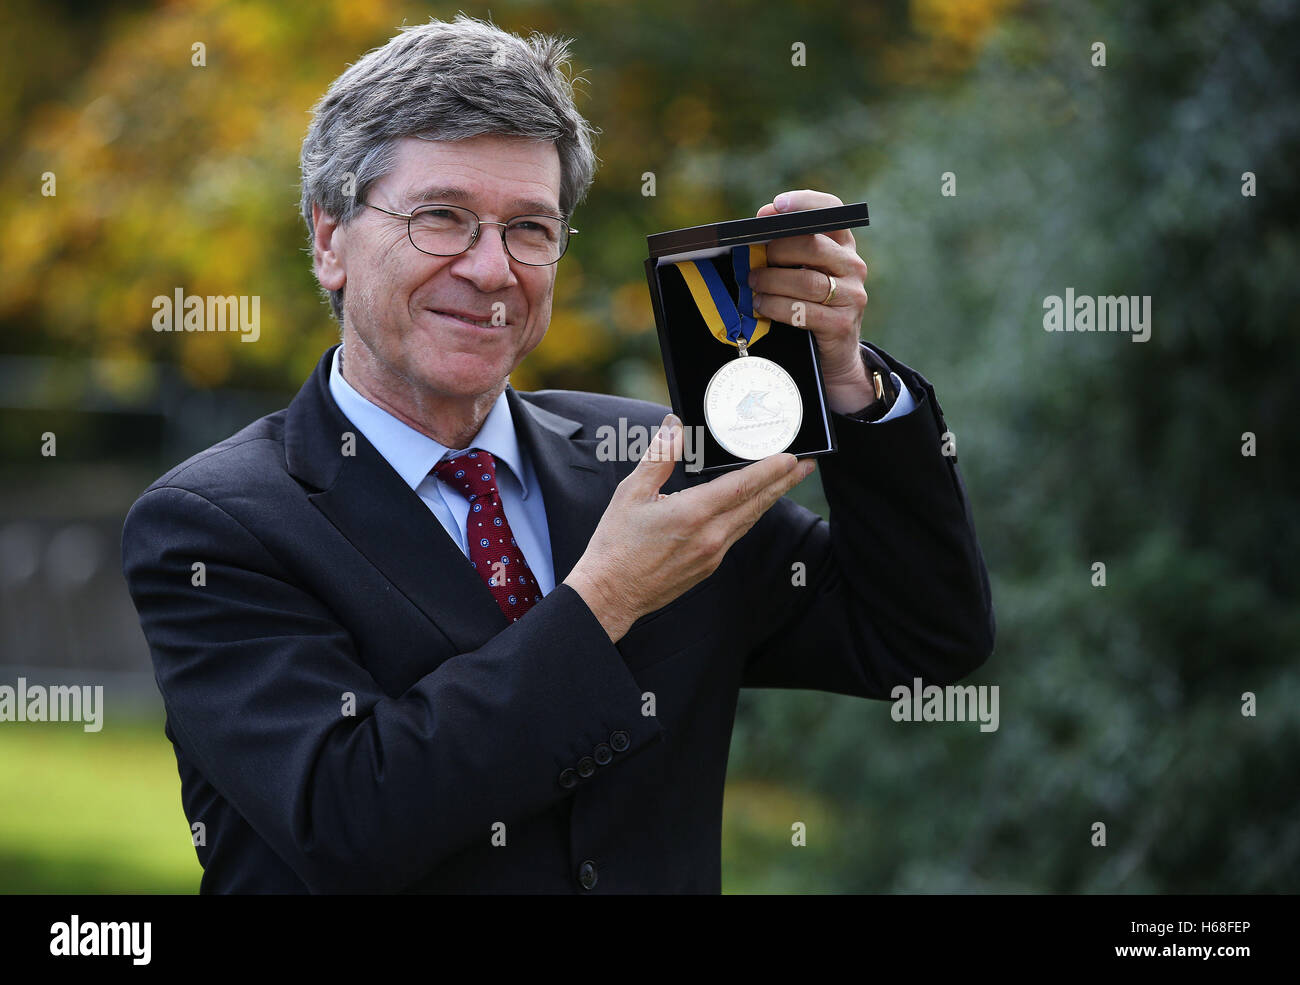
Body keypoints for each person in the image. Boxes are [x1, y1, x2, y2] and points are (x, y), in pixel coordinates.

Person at [121, 14, 994, 894]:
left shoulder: (649, 461)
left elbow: (920, 637)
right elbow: (346, 819)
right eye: (442, 218)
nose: (492, 269)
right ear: (329, 236)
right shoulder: (213, 526)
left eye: (529, 229)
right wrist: (608, 595)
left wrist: (846, 379)